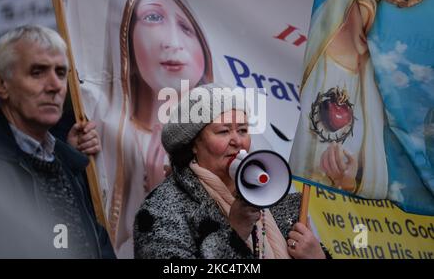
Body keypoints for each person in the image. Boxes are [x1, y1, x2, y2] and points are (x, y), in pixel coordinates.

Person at [90, 0, 213, 258]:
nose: (172, 43)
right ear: (125, 33)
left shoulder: (229, 141)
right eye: (153, 17)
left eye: (187, 27)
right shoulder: (96, 132)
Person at [134, 83, 330, 259]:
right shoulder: (162, 209)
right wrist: (234, 231)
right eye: (224, 131)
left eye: (243, 130)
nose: (238, 141)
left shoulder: (275, 198)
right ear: (194, 143)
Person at [0, 25, 115, 258]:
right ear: (1, 85)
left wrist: (69, 153)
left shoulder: (67, 161)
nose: (55, 86)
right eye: (37, 72)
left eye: (60, 73)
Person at [290, 0, 389, 198]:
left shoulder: (374, 88)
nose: (374, 25)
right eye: (368, 8)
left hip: (338, 222)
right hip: (294, 204)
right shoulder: (314, 59)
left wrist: (347, 180)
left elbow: (375, 179)